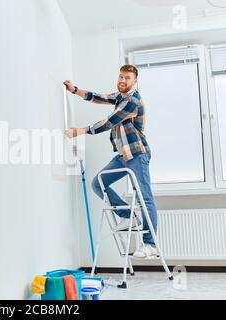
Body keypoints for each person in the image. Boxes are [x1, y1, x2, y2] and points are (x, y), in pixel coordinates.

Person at [63, 64, 158, 258]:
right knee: (98, 183)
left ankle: (151, 245)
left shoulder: (133, 101)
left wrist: (81, 131)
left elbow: (109, 122)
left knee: (145, 198)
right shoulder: (121, 96)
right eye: (121, 77)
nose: (123, 80)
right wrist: (74, 90)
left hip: (137, 154)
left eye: (127, 78)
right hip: (123, 156)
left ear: (135, 81)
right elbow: (100, 97)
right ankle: (130, 217)